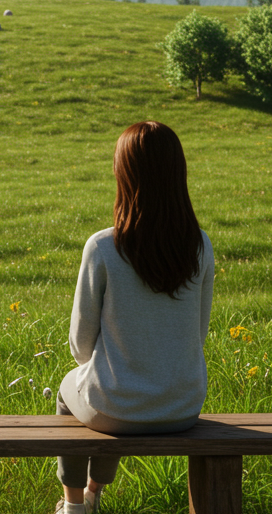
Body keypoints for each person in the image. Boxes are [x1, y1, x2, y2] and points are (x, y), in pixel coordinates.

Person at [55, 121, 215, 514]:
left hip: (116, 407)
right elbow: (199, 333)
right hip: (183, 407)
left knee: (73, 389)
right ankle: (95, 491)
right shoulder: (199, 245)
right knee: (108, 390)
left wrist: (109, 368)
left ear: (124, 174)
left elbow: (80, 345)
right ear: (178, 173)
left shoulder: (104, 247)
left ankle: (74, 504)